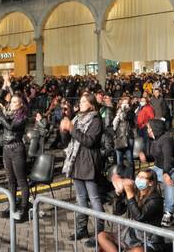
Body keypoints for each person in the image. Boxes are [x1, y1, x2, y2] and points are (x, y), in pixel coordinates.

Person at [61, 92, 104, 246]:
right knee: (80, 197)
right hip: (76, 161)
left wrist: (72, 128)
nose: (81, 103)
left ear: (92, 104)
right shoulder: (77, 118)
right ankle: (82, 229)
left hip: (89, 161)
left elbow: (89, 141)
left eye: (85, 101)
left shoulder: (96, 119)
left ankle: (100, 234)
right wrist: (63, 130)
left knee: (94, 198)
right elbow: (66, 141)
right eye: (81, 100)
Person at [97, 169, 164, 252]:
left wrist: (130, 194)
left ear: (151, 182)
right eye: (138, 176)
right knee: (101, 235)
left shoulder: (156, 199)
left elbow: (139, 216)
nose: (139, 179)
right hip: (129, 235)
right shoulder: (135, 193)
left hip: (147, 238)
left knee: (137, 251)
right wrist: (119, 195)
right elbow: (118, 211)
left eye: (142, 177)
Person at [138, 119, 174, 227]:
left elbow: (168, 159)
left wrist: (165, 173)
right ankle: (143, 205)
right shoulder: (154, 140)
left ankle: (169, 213)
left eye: (149, 128)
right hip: (159, 168)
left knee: (169, 179)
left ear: (155, 128)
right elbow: (155, 157)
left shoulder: (166, 139)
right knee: (142, 175)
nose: (148, 131)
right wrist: (145, 156)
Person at [0, 92, 30, 222]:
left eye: (15, 102)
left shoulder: (22, 116)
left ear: (21, 104)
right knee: (11, 181)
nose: (12, 104)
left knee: (21, 181)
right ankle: (12, 207)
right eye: (11, 102)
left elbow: (11, 127)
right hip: (6, 149)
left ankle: (24, 210)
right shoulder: (7, 114)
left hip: (17, 148)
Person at [112, 97, 134, 178]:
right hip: (119, 137)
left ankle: (131, 178)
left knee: (129, 160)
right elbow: (114, 125)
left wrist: (125, 111)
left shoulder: (131, 112)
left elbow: (128, 119)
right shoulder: (118, 112)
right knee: (119, 160)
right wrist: (118, 114)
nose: (124, 105)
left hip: (128, 137)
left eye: (126, 103)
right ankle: (120, 178)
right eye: (123, 103)